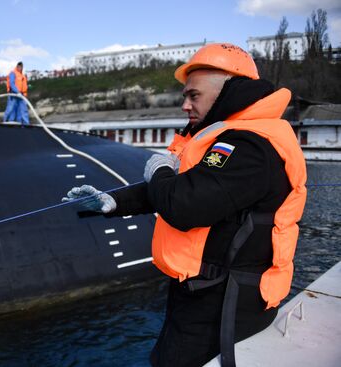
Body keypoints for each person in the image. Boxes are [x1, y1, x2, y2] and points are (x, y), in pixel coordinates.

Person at [63, 43, 307, 367]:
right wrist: (113, 202)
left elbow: (184, 205)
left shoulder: (251, 147)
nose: (184, 105)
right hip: (201, 295)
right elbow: (181, 189)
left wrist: (159, 168)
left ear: (228, 94)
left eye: (194, 96)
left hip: (224, 308)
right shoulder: (222, 137)